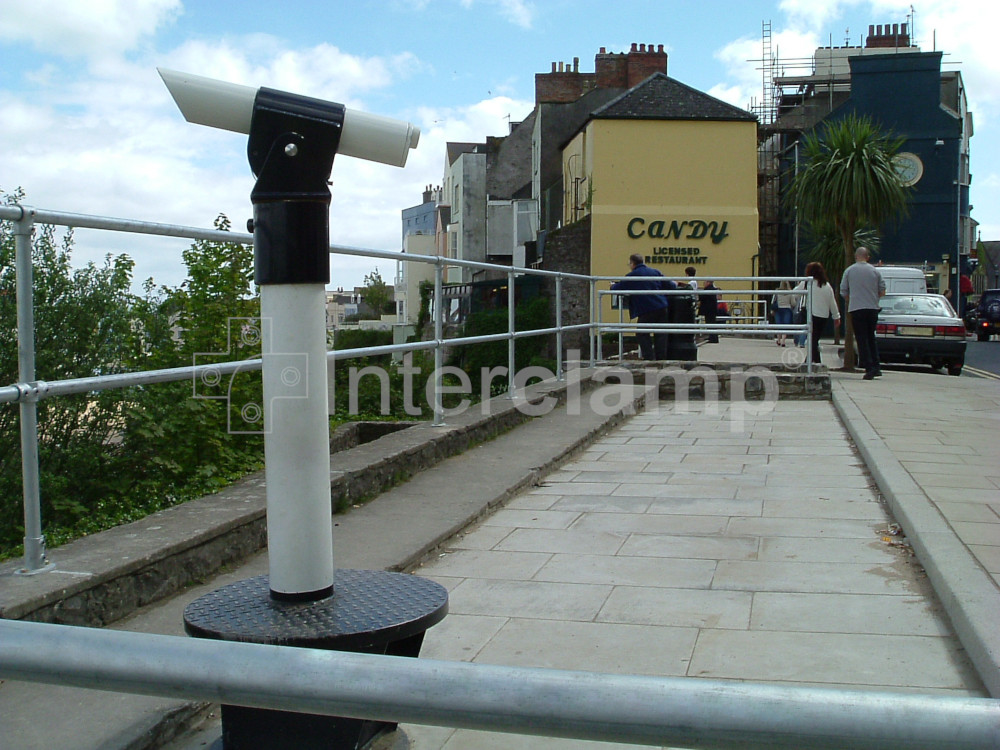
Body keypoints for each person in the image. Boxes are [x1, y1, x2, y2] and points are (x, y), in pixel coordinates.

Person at [611, 253, 675, 360]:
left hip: (646, 309)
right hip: (662, 306)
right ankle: (661, 359)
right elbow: (671, 286)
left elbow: (618, 288)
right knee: (661, 334)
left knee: (642, 333)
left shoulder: (632, 276)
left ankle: (649, 357)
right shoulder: (655, 272)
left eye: (629, 264)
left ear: (632, 263)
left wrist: (612, 285)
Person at [840, 246, 886, 379]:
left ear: (856, 257)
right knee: (871, 337)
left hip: (856, 308)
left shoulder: (849, 271)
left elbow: (843, 291)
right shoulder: (875, 271)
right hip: (872, 308)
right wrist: (873, 297)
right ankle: (876, 366)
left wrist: (853, 299)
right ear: (868, 257)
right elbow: (882, 291)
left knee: (861, 338)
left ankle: (869, 366)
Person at [793, 262, 841, 364]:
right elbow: (832, 302)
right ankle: (812, 360)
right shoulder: (827, 286)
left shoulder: (807, 283)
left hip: (812, 315)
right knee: (815, 338)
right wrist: (836, 317)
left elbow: (794, 293)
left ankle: (812, 361)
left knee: (812, 339)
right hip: (823, 316)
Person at [773, 280, 795, 346]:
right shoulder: (790, 292)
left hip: (778, 309)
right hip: (787, 309)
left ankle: (779, 340)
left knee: (779, 325)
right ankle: (783, 341)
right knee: (785, 325)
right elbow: (793, 303)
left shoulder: (777, 291)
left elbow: (773, 301)